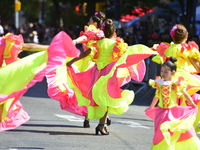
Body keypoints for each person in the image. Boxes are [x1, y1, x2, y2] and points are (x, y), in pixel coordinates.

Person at [64, 18, 157, 135]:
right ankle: (101, 125)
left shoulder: (97, 43)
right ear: (114, 32)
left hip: (97, 74)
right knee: (107, 99)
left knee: (103, 99)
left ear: (103, 31)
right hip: (109, 75)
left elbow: (84, 53)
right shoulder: (117, 45)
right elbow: (131, 52)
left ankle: (102, 124)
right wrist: (149, 50)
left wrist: (71, 62)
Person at [152, 24, 200, 132]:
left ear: (172, 37)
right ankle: (186, 127)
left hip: (170, 80)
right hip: (185, 80)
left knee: (171, 105)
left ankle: (171, 127)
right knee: (187, 104)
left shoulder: (166, 48)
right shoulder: (188, 49)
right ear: (187, 36)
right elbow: (198, 66)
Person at [145, 57, 200, 149]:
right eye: (162, 71)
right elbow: (157, 95)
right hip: (161, 112)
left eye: (166, 72)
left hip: (173, 111)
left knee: (173, 131)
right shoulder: (159, 83)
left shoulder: (176, 83)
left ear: (173, 72)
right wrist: (151, 107)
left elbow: (185, 94)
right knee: (160, 133)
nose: (163, 74)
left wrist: (192, 104)